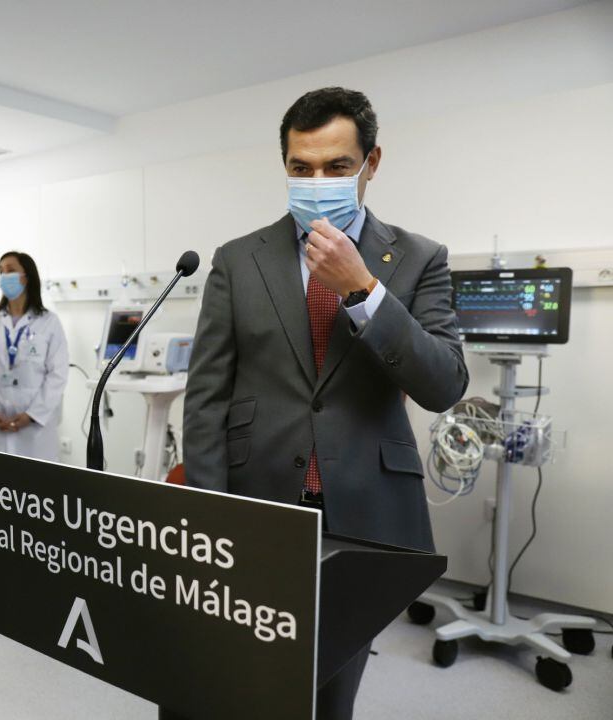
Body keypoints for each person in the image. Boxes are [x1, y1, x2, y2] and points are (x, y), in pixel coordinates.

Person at [179, 88, 469, 720]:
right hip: (256, 504)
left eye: (337, 167)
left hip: (364, 507)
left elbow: (444, 383)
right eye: (300, 168)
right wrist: (207, 514)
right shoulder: (237, 260)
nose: (317, 182)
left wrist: (362, 288)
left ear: (372, 162)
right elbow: (205, 399)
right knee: (238, 674)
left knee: (330, 687)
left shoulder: (419, 259)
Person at [0, 251, 68, 462]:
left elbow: (58, 375)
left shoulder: (49, 322)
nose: (5, 276)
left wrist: (32, 415)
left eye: (11, 270)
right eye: (1, 271)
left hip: (35, 432)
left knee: (37, 489)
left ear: (26, 277)